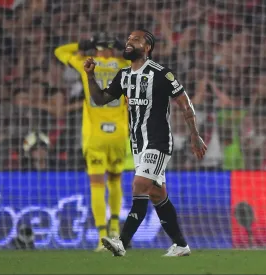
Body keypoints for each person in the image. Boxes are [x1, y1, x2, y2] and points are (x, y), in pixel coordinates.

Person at [84, 29, 207, 257]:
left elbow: (184, 104)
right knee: (157, 194)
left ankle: (122, 242)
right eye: (129, 39)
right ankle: (181, 245)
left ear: (147, 47)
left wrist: (194, 134)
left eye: (136, 39)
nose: (129, 42)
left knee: (139, 185)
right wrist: (90, 76)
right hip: (138, 145)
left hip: (158, 141)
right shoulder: (124, 76)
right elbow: (100, 99)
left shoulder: (161, 74)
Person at [54, 32, 129, 252]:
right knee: (115, 181)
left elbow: (59, 52)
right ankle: (115, 229)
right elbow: (145, 57)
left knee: (96, 184)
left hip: (95, 135)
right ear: (112, 48)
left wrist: (80, 44)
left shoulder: (86, 63)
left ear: (95, 48)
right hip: (118, 134)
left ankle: (102, 238)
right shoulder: (125, 64)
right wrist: (123, 46)